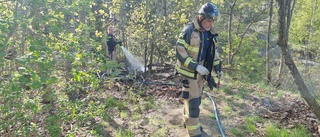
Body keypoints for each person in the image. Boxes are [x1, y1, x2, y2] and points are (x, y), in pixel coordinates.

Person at [175, 2, 223, 137]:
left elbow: (214, 53)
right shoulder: (188, 31)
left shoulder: (210, 34)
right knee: (194, 103)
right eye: (208, 21)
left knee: (194, 99)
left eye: (212, 21)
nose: (210, 24)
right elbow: (180, 52)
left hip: (201, 73)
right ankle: (194, 132)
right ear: (201, 18)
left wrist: (218, 67)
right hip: (189, 72)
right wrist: (195, 66)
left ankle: (187, 121)